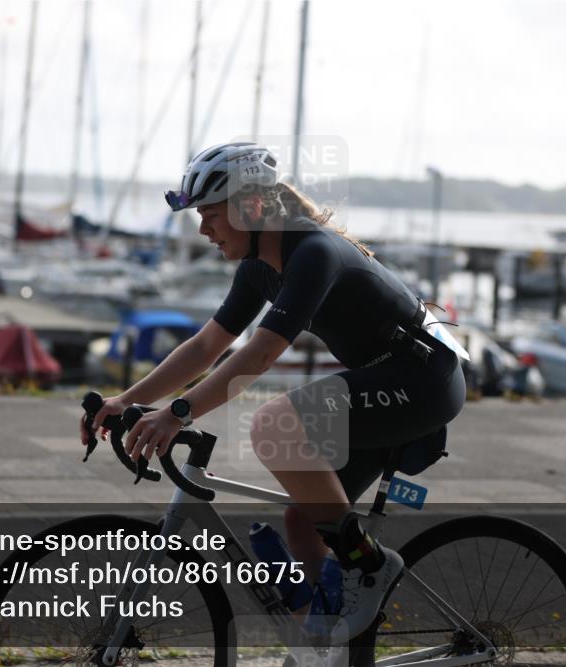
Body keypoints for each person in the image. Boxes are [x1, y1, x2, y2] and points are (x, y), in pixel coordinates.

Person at [80, 141, 467, 644]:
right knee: (304, 520)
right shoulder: (259, 267)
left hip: (422, 380)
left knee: (275, 427)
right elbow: (206, 346)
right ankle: (321, 645)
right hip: (387, 378)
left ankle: (369, 566)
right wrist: (126, 401)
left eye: (211, 215)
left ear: (252, 208)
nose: (203, 230)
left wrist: (178, 412)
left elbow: (259, 355)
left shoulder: (313, 251)